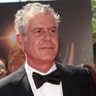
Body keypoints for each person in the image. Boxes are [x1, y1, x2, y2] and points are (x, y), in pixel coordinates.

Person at [0, 2, 95, 96]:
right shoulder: (4, 89)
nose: (48, 37)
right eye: (38, 31)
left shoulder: (82, 78)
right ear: (21, 41)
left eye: (52, 30)